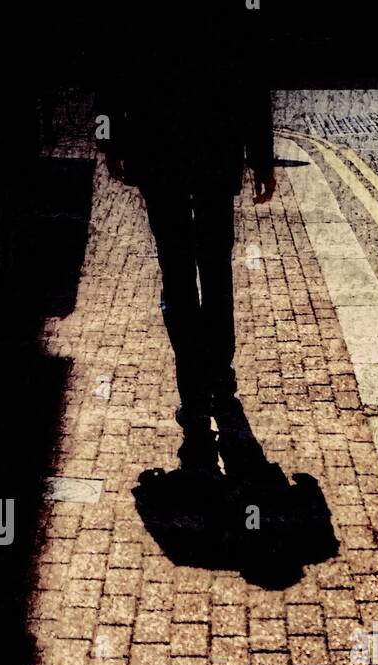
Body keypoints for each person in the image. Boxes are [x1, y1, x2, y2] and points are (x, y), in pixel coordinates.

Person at [98, 22, 275, 472]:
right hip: (214, 145)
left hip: (160, 147)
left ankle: (194, 391)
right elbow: (250, 76)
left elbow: (117, 62)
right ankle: (218, 376)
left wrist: (111, 140)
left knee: (177, 271)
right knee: (215, 270)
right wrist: (260, 155)